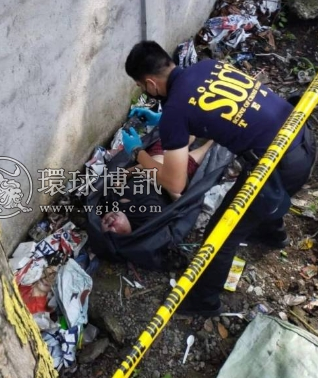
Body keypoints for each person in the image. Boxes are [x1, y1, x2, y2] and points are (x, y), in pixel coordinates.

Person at [123, 40, 316, 316]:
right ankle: (274, 235)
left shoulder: (176, 111)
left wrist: (137, 153)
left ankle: (204, 302)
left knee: (219, 235)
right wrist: (160, 120)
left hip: (278, 166)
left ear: (151, 84)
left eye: (142, 87)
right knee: (255, 204)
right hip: (302, 137)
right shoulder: (207, 67)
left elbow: (176, 183)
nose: (145, 91)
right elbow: (203, 115)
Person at [101, 136, 214, 234]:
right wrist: (165, 182)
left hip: (154, 157)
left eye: (105, 221)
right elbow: (181, 205)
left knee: (185, 131)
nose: (110, 220)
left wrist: (147, 168)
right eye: (112, 226)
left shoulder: (111, 202)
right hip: (177, 173)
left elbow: (124, 175)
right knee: (208, 147)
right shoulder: (149, 224)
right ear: (124, 235)